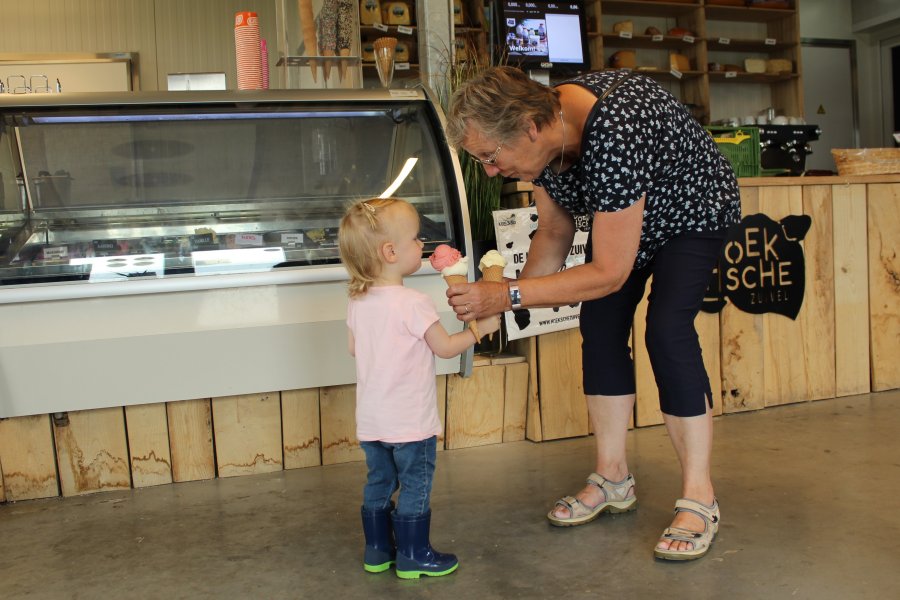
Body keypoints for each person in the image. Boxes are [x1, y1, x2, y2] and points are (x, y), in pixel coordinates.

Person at [444, 66, 741, 561]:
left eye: (490, 157)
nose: (491, 172)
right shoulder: (544, 148)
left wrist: (508, 297)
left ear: (529, 127)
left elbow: (608, 272)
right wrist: (503, 304)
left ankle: (700, 498)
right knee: (599, 323)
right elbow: (554, 233)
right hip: (626, 227)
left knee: (666, 330)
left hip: (692, 213)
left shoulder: (617, 127)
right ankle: (613, 477)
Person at [337, 197, 500, 578]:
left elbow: (354, 348)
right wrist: (479, 330)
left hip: (373, 421)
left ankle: (377, 550)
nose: (422, 245)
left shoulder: (358, 301)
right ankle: (413, 554)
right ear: (390, 251)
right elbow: (444, 348)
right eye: (415, 239)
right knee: (415, 485)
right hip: (411, 423)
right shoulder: (413, 302)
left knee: (379, 482)